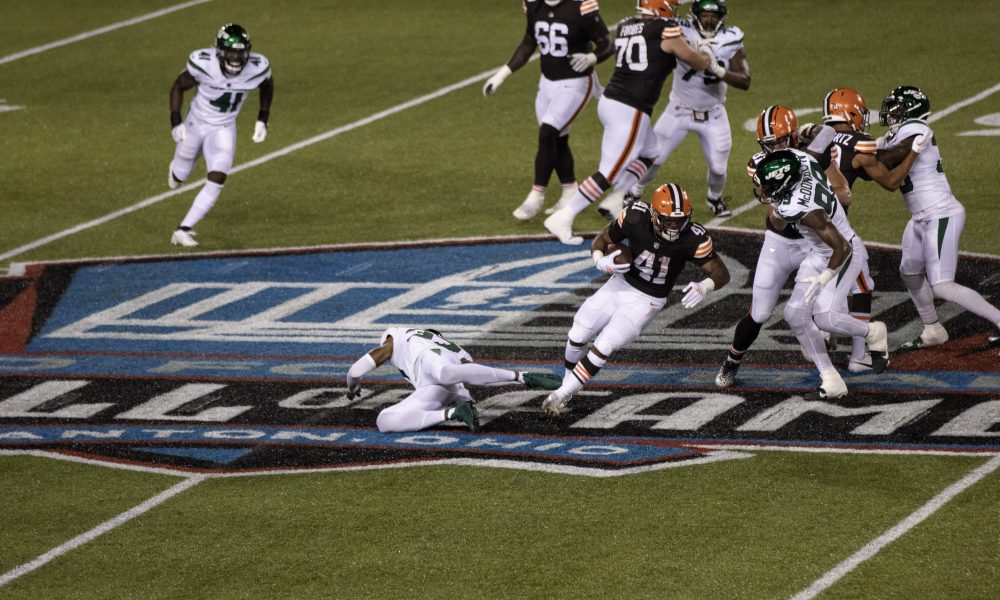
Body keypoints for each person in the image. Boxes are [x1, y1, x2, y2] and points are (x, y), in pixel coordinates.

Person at [542, 182, 730, 416]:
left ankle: (561, 395)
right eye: (669, 220)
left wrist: (706, 285)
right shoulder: (635, 216)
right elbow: (602, 239)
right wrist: (601, 261)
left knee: (605, 344)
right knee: (578, 333)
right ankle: (569, 383)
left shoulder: (694, 237)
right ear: (653, 214)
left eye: (680, 220)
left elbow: (722, 272)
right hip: (619, 284)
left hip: (648, 300)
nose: (674, 226)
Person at [542, 0, 714, 245]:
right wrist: (705, 55)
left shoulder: (625, 25)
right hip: (630, 107)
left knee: (651, 152)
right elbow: (696, 61)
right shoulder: (665, 30)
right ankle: (564, 217)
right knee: (609, 171)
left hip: (613, 100)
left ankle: (617, 198)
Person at [715, 105, 849, 387]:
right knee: (760, 312)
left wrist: (818, 195)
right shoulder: (760, 165)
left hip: (814, 245)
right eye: (769, 144)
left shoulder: (810, 154)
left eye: (779, 141)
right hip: (778, 244)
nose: (774, 148)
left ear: (793, 136)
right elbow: (775, 221)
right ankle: (732, 361)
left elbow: (844, 195)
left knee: (825, 313)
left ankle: (837, 362)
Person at [751, 149, 891, 399]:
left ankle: (873, 332)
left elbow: (842, 247)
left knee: (825, 317)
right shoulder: (800, 158)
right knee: (794, 314)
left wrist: (825, 277)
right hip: (819, 252)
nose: (764, 191)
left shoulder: (803, 208)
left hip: (844, 252)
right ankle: (831, 378)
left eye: (769, 186)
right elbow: (812, 147)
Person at [876, 85, 1000, 356]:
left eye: (896, 107)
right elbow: (868, 158)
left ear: (910, 110)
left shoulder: (916, 130)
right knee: (909, 272)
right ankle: (933, 329)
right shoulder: (895, 134)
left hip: (941, 214)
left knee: (942, 285)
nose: (891, 112)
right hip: (921, 218)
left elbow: (884, 159)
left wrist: (852, 155)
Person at [610, 0, 750, 219]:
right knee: (654, 158)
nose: (709, 19)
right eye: (705, 14)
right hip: (679, 109)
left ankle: (714, 198)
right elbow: (650, 15)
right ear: (695, 14)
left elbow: (745, 81)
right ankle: (634, 191)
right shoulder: (677, 28)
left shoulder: (731, 37)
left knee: (718, 168)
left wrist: (718, 70)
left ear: (722, 16)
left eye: (714, 15)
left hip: (713, 113)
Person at [817, 86, 921, 371]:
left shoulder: (814, 137)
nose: (863, 119)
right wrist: (913, 149)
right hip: (833, 228)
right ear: (848, 112)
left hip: (802, 224)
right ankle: (846, 344)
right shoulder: (858, 142)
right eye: (860, 113)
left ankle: (850, 350)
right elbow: (888, 179)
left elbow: (866, 164)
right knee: (850, 282)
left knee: (851, 281)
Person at [482, 0, 614, 221]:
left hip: (576, 82)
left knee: (548, 133)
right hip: (547, 82)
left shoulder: (581, 6)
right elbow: (528, 42)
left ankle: (536, 195)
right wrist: (501, 75)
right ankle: (570, 191)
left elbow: (606, 44)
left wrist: (592, 57)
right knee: (557, 139)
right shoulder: (535, 5)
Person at [167, 23, 274, 247]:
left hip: (224, 127)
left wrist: (262, 118)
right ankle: (176, 171)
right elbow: (178, 86)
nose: (236, 57)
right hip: (197, 122)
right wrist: (176, 120)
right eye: (231, 52)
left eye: (240, 52)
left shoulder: (257, 66)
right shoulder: (204, 64)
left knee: (218, 177)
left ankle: (183, 229)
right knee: (180, 175)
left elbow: (267, 84)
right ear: (220, 51)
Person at [346, 327, 562, 432]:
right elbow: (472, 376)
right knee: (384, 421)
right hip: (439, 388)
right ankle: (451, 414)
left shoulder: (401, 336)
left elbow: (357, 370)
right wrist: (463, 404)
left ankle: (523, 376)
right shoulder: (457, 350)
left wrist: (352, 386)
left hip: (433, 368)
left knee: (444, 372)